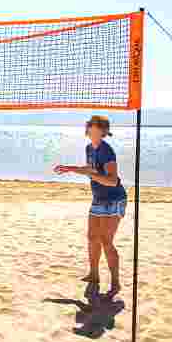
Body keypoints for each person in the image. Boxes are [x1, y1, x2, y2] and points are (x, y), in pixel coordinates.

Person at [54, 115, 127, 299]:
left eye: (95, 127)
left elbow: (111, 181)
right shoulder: (89, 148)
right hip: (98, 198)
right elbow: (90, 169)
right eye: (89, 126)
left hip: (113, 198)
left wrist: (92, 176)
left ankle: (115, 282)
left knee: (106, 240)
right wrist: (70, 168)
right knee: (92, 237)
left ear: (103, 131)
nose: (91, 129)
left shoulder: (106, 151)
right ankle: (94, 275)